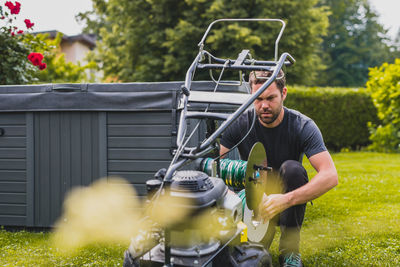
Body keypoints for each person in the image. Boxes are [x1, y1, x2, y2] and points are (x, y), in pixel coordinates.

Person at [220, 70, 338, 267]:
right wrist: (238, 197)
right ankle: (255, 243)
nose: (264, 105)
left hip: (287, 201)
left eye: (271, 98)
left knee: (293, 170)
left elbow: (330, 175)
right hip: (253, 201)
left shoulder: (302, 125)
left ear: (284, 93)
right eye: (258, 98)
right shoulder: (238, 123)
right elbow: (214, 169)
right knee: (252, 256)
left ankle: (290, 252)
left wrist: (284, 200)